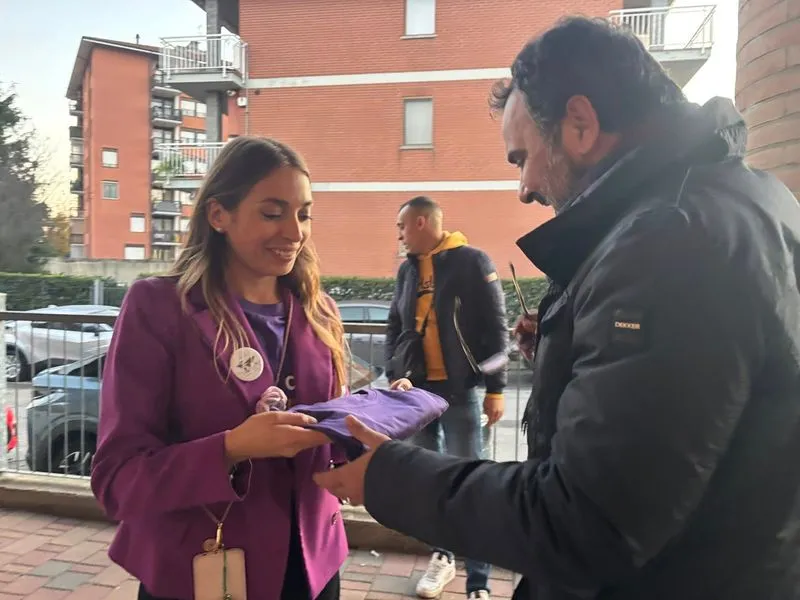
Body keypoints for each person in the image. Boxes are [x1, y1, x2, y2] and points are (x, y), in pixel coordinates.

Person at [314, 16, 800, 600]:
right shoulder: (751, 198)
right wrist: (567, 346)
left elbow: (587, 522)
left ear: (580, 123)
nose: (523, 187)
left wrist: (388, 475)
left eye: (521, 157)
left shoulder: (669, 240)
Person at [91, 136, 350, 600]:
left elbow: (331, 448)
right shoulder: (159, 308)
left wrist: (376, 426)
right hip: (202, 572)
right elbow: (117, 480)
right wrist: (231, 448)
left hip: (314, 570)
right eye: (272, 213)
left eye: (304, 213)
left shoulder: (320, 311)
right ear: (218, 216)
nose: (295, 231)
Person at [385, 196, 508, 600]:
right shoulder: (407, 270)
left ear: (421, 222)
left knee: (470, 483)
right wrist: (395, 375)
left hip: (461, 392)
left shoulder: (471, 261)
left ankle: (479, 582)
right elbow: (396, 324)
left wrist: (496, 389)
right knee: (435, 481)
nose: (399, 234)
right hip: (418, 394)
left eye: (402, 226)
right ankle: (442, 558)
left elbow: (496, 328)